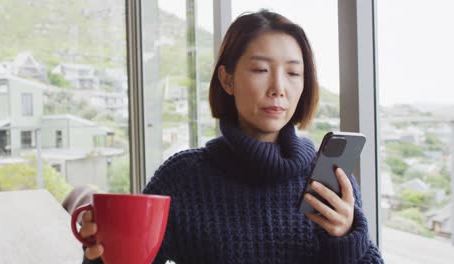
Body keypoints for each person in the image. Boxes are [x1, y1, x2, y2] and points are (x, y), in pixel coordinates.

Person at [79, 10, 384, 264]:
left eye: (293, 73)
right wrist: (100, 253)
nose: (278, 87)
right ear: (227, 79)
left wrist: (346, 238)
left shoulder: (328, 179)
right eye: (261, 69)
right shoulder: (183, 176)